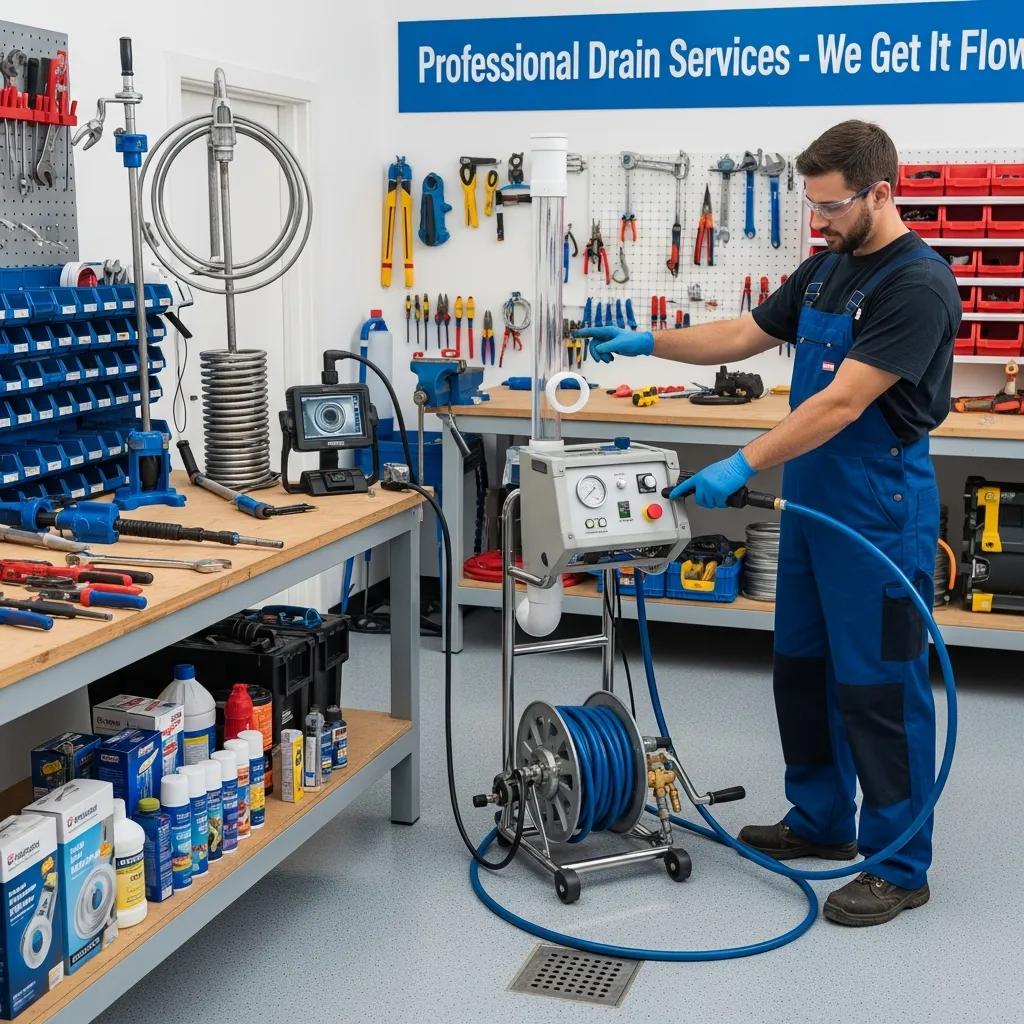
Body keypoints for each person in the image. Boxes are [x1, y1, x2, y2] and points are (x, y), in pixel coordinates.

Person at [575, 120, 961, 926]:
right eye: (811, 204)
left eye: (831, 206)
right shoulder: (825, 271)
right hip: (816, 500)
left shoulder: (917, 285)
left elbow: (844, 402)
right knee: (801, 670)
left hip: (880, 511)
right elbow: (745, 334)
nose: (818, 221)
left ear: (880, 193)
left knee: (879, 690)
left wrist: (743, 462)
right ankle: (821, 822)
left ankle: (899, 861)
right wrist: (648, 341)